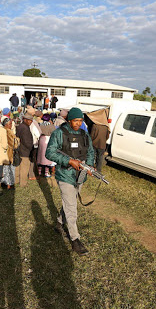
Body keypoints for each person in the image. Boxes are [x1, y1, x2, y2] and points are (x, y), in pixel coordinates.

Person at [45, 107, 95, 255]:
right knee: (72, 207)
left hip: (80, 176)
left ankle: (60, 223)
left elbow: (90, 152)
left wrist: (89, 166)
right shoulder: (59, 133)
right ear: (69, 120)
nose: (78, 123)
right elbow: (50, 152)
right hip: (65, 175)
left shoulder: (84, 135)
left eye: (80, 120)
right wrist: (68, 161)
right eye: (75, 120)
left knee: (69, 202)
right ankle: (75, 240)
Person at [15, 113, 34, 187]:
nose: (31, 122)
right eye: (29, 120)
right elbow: (27, 142)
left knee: (18, 167)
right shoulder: (25, 128)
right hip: (25, 151)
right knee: (24, 168)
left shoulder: (20, 126)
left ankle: (16, 181)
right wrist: (30, 149)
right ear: (25, 120)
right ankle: (23, 183)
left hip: (19, 150)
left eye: (31, 120)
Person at [1, 117, 19, 189]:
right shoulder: (9, 132)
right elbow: (14, 144)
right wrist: (18, 140)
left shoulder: (2, 131)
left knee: (4, 169)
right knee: (9, 169)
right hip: (9, 153)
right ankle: (9, 184)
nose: (11, 125)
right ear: (6, 124)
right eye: (10, 124)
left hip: (4, 153)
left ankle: (3, 182)